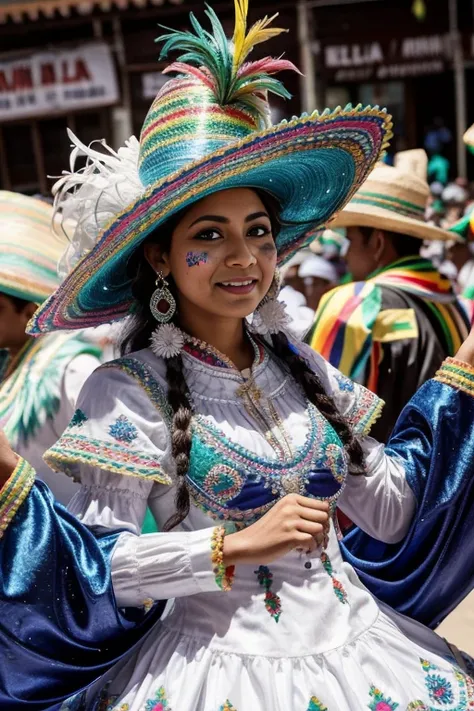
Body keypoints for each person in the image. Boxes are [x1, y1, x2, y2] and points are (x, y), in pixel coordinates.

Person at [1, 4, 474, 710]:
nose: (243, 256)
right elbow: (105, 564)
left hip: (366, 655)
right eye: (211, 234)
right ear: (160, 254)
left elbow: (392, 514)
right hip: (216, 668)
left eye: (257, 230)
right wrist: (230, 547)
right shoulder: (125, 389)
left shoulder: (301, 363)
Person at [307, 151, 470, 443]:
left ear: (378, 243)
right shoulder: (454, 306)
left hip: (374, 484)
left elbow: (316, 420)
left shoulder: (356, 302)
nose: (345, 253)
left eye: (352, 240)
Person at [0, 191, 102, 505]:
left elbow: (111, 477)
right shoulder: (12, 368)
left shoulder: (70, 369)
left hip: (70, 543)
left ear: (29, 313)